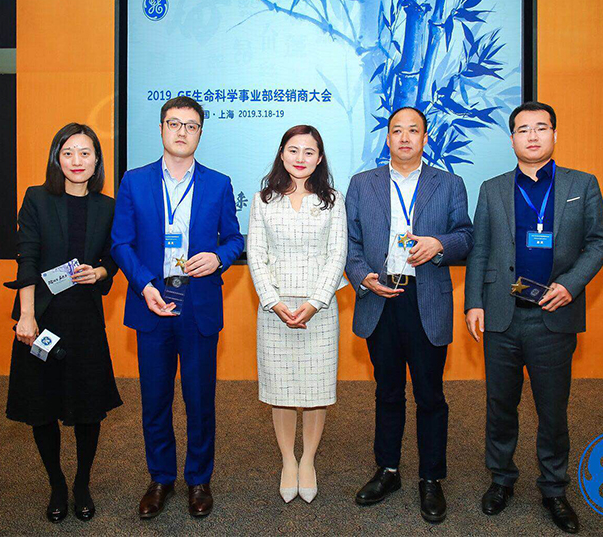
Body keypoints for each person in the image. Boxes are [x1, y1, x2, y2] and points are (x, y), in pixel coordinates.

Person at [464, 101, 603, 534]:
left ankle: (554, 488)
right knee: (500, 405)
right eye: (523, 129)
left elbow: (599, 243)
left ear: (554, 135)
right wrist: (473, 302)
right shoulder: (492, 188)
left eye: (541, 128)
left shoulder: (582, 184)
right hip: (502, 315)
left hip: (553, 315)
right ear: (511, 139)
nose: (532, 136)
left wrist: (571, 285)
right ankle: (501, 479)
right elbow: (480, 249)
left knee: (552, 409)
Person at [111, 96, 244, 519]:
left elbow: (235, 239)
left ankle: (199, 480)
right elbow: (120, 243)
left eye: (191, 125)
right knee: (155, 399)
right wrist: (144, 284)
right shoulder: (134, 181)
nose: (182, 131)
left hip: (198, 304)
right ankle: (161, 478)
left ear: (200, 132)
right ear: (161, 129)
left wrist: (219, 257)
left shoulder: (218, 183)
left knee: (199, 399)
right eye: (174, 123)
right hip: (151, 302)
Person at [345, 107, 473, 523]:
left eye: (412, 131)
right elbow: (349, 242)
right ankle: (388, 470)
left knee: (430, 394)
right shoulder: (362, 184)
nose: (404, 138)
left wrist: (440, 244)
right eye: (396, 130)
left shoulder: (448, 183)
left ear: (424, 138)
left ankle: (431, 478)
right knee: (387, 391)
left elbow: (467, 235)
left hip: (426, 298)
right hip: (380, 296)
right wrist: (363, 277)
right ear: (387, 138)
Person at [4, 123, 122, 523]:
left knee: (88, 407)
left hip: (85, 319)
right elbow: (27, 258)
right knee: (43, 405)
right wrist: (26, 315)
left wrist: (100, 272)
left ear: (97, 161)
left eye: (85, 153)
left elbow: (113, 257)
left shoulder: (107, 206)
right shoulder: (37, 199)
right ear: (57, 158)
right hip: (43, 319)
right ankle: (56, 484)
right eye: (68, 152)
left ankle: (82, 483)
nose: (77, 161)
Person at [247, 125, 347, 504]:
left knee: (316, 389)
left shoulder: (332, 200)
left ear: (319, 158)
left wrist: (315, 302)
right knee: (282, 389)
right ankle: (289, 460)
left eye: (309, 151)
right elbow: (256, 254)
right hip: (275, 309)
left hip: (319, 309)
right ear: (282, 154)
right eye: (293, 150)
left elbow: (337, 255)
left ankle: (308, 460)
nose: (300, 158)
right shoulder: (263, 200)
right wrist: (273, 301)